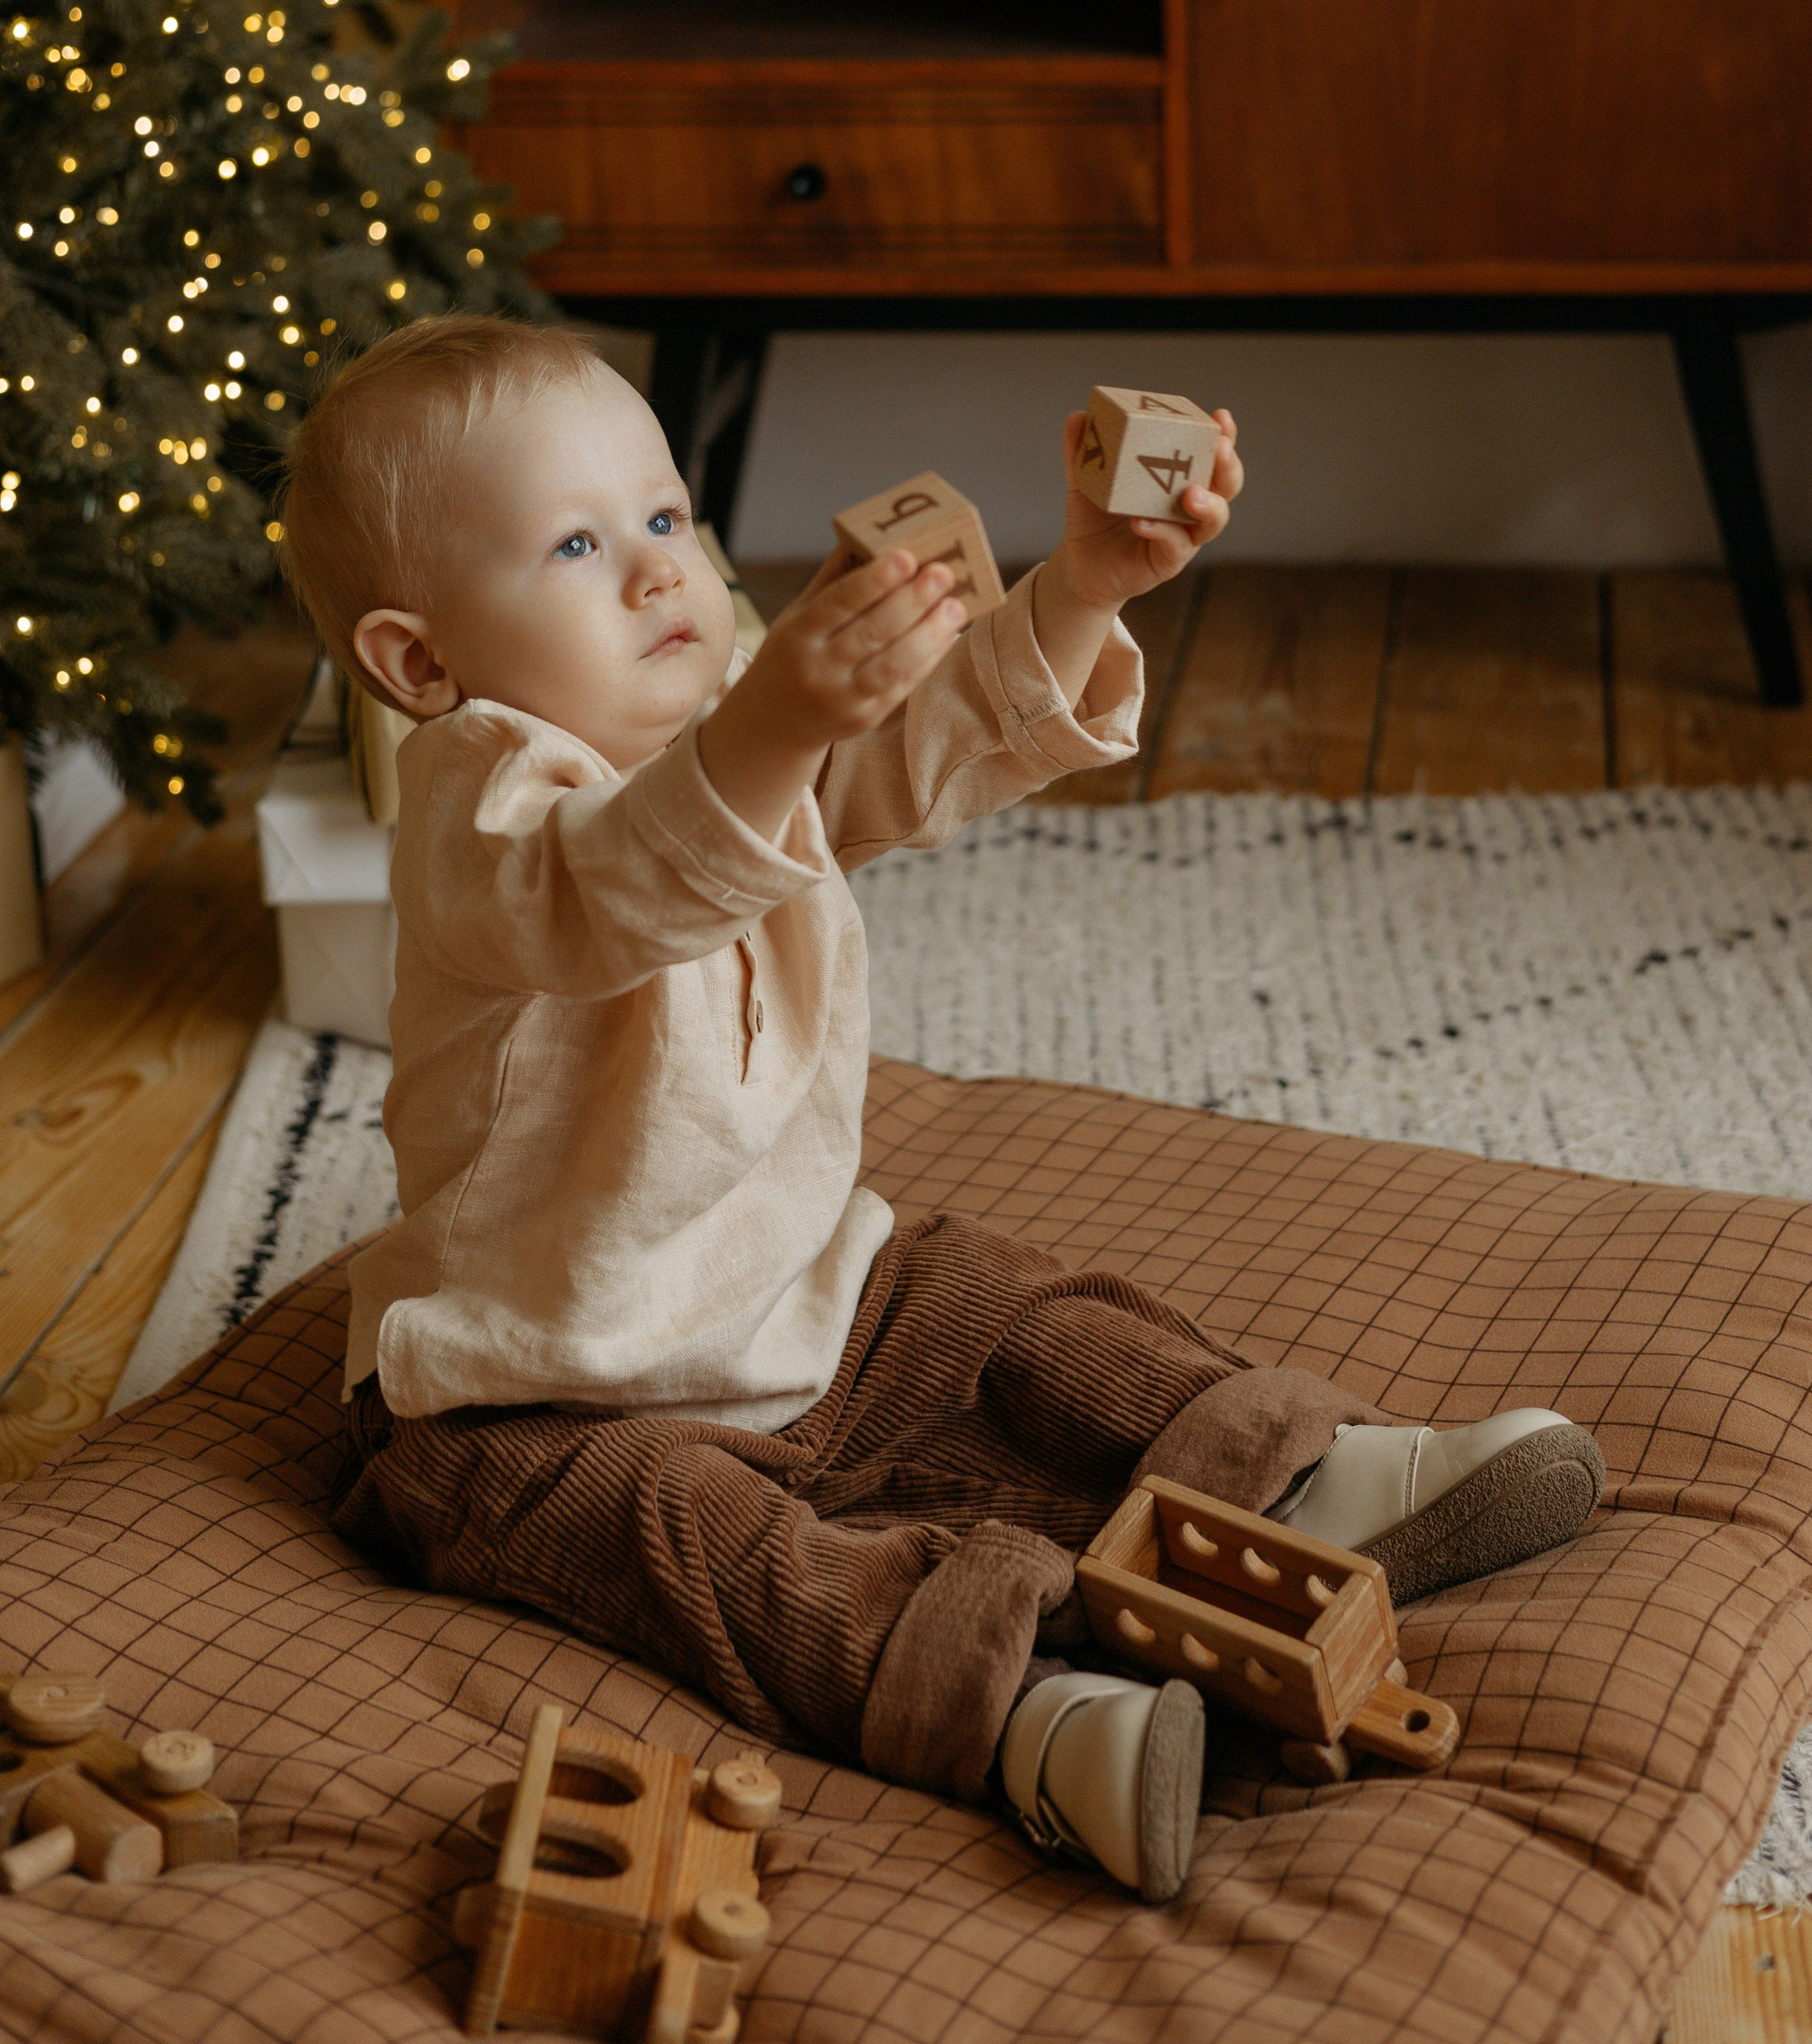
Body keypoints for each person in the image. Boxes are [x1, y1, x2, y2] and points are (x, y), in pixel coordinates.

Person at [283, 317, 1604, 1905]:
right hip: (524, 1399)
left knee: (996, 1304)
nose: (655, 575)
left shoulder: (721, 751)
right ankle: (1028, 1723)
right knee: (699, 1546)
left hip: (794, 1303)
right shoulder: (478, 804)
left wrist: (1083, 590)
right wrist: (771, 721)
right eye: (574, 545)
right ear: (421, 663)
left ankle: (1297, 1478)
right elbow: (600, 894)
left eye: (664, 522)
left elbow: (909, 754)